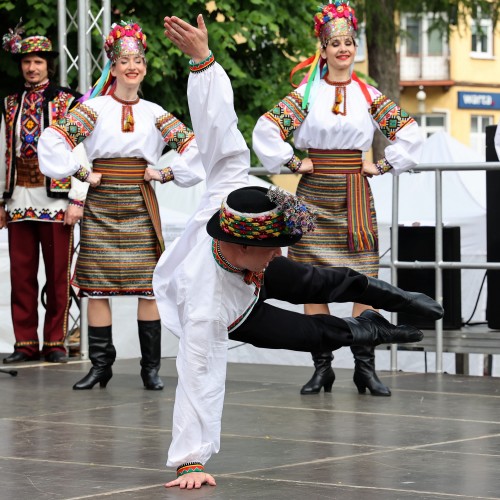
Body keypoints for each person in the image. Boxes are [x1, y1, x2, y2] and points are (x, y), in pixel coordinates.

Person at [154, 14, 441, 489]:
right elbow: (198, 380)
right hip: (232, 307)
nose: (275, 256)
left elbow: (218, 126)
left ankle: (384, 301)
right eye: (268, 250)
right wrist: (191, 461)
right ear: (239, 244)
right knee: (310, 334)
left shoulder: (227, 188)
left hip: (329, 204)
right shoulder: (203, 306)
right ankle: (358, 330)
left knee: (319, 278)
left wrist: (203, 62)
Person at [252, 1, 424, 397]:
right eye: (335, 43)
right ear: (323, 50)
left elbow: (410, 133)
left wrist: (381, 166)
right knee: (313, 284)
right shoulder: (306, 93)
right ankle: (322, 367)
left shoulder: (369, 94)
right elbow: (266, 128)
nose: (343, 49)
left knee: (363, 282)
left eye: (348, 42)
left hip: (355, 196)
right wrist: (293, 162)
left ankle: (365, 368)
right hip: (311, 196)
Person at [38, 21, 203, 390]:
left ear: (144, 67)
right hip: (101, 204)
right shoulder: (93, 109)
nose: (132, 66)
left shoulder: (154, 112)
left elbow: (195, 148)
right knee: (96, 287)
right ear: (112, 68)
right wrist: (81, 171)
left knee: (148, 287)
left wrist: (165, 174)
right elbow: (52, 142)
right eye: (124, 60)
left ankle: (150, 369)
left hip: (141, 205)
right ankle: (101, 366)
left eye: (138, 60)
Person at [0, 24, 86, 364]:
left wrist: (77, 199)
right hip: (19, 195)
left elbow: (79, 150)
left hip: (56, 197)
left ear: (48, 64)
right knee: (21, 275)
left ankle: (55, 342)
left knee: (57, 275)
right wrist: (1, 200)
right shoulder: (9, 103)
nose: (31, 68)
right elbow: (3, 150)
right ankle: (25, 343)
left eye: (37, 61)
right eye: (26, 62)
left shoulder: (67, 101)